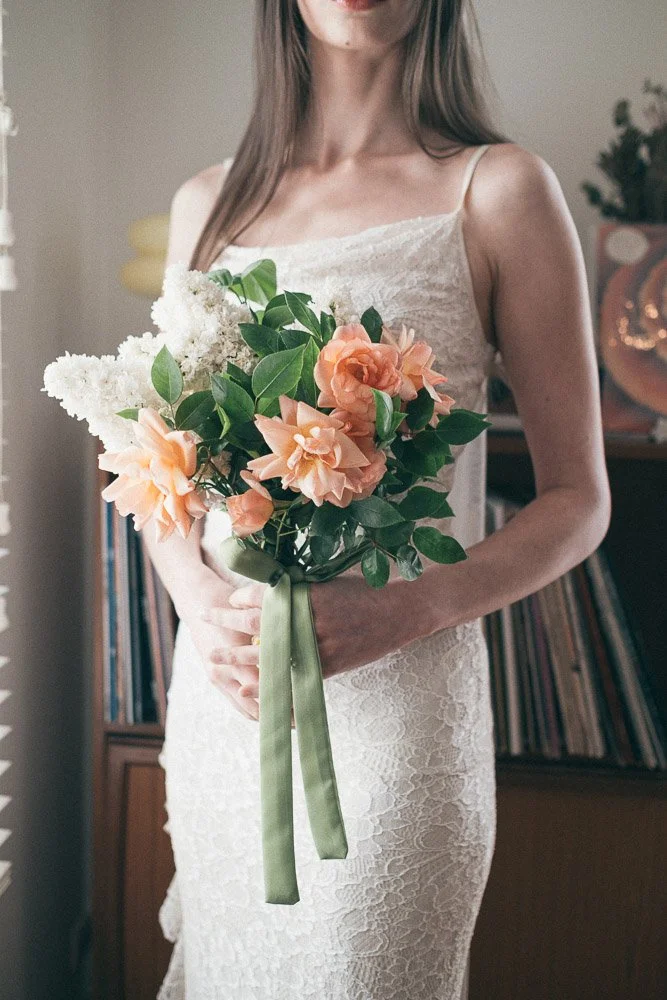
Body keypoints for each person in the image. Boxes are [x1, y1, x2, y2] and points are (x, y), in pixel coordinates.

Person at [143, 1, 611, 997]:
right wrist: (192, 593)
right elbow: (161, 472)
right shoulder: (207, 205)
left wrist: (402, 610)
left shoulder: (499, 190)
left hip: (402, 717)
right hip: (228, 710)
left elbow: (577, 498)